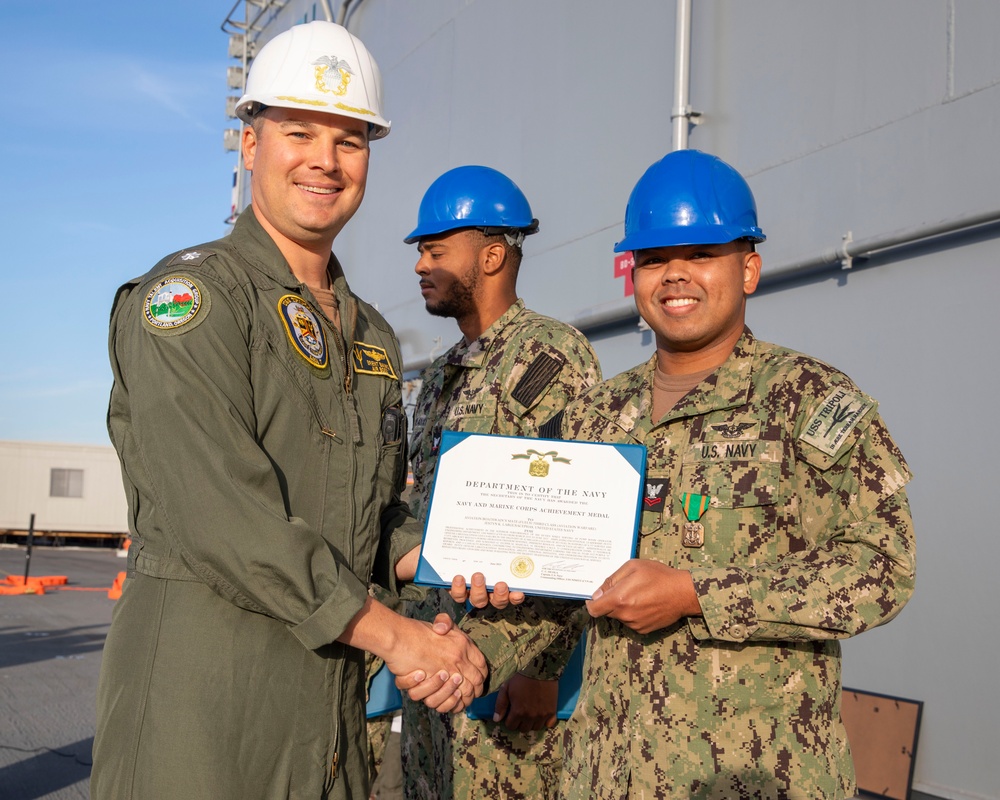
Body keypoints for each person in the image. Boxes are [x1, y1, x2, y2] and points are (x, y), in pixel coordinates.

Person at [405, 149, 917, 799]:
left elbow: (882, 567)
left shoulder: (809, 400)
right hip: (606, 775)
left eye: (701, 253)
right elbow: (559, 592)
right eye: (653, 259)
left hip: (751, 777)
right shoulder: (596, 415)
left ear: (749, 268)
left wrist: (695, 593)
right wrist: (467, 656)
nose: (675, 275)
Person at [92, 21, 486, 800]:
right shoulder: (191, 300)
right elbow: (224, 517)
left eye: (349, 140)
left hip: (327, 715)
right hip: (204, 709)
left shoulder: (367, 329)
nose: (324, 160)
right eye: (298, 131)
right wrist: (398, 638)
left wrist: (465, 555)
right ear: (249, 143)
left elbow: (370, 513)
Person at [400, 166, 602, 799]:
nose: (419, 266)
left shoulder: (551, 357)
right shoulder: (439, 376)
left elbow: (578, 526)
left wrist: (545, 669)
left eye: (435, 250)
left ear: (490, 255)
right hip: (436, 665)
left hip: (510, 687)